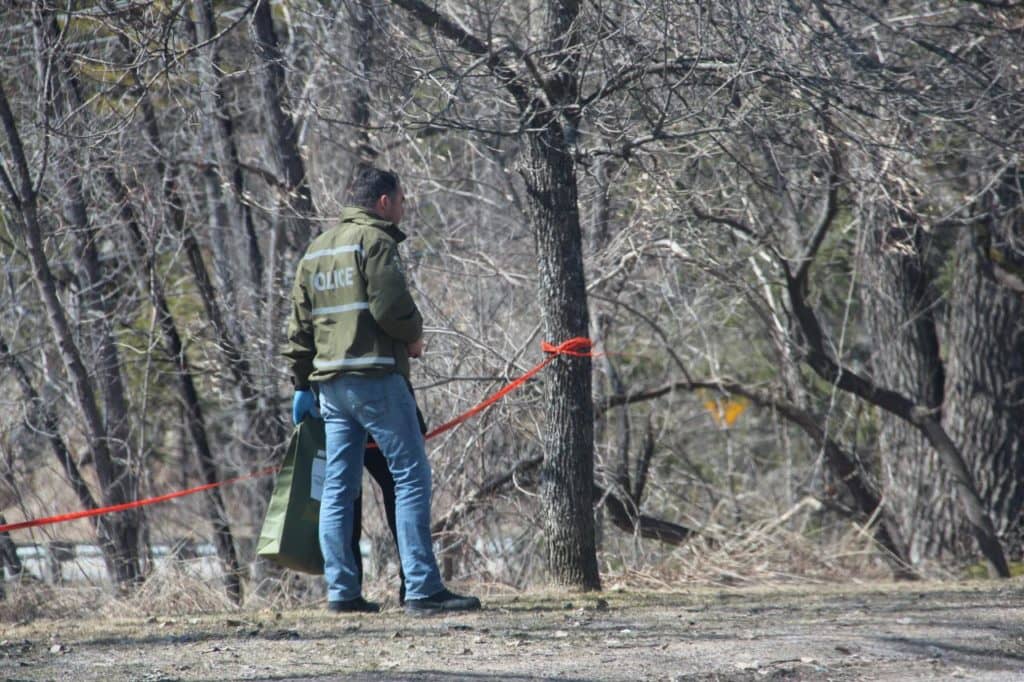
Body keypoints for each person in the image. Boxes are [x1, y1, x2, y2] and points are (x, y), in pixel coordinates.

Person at [285, 165, 480, 615]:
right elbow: (391, 306)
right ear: (384, 202)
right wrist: (414, 336)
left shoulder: (315, 251)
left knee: (339, 488)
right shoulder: (375, 241)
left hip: (330, 387)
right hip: (376, 378)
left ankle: (343, 592)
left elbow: (299, 329)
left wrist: (301, 383)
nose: (404, 207)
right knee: (410, 477)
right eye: (403, 199)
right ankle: (422, 590)